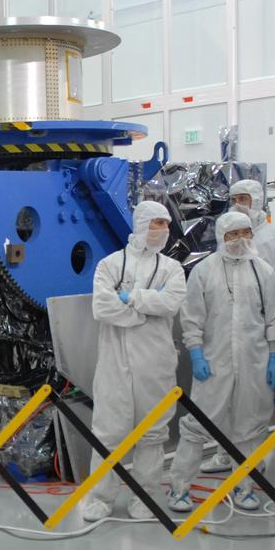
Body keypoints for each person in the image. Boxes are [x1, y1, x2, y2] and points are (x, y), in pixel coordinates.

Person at [166, 211, 275, 513]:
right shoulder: (205, 271)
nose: (240, 240)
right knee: (198, 425)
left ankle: (244, 485)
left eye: (245, 233)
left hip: (255, 361)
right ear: (221, 237)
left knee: (250, 426)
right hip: (214, 362)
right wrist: (196, 353)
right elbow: (191, 317)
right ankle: (179, 488)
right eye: (232, 234)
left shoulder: (263, 271)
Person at [81, 201, 188, 521]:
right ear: (141, 224)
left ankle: (147, 495)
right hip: (114, 361)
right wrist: (143, 310)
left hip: (155, 362)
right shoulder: (110, 264)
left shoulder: (172, 268)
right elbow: (102, 307)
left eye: (166, 224)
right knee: (108, 432)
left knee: (153, 433)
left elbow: (171, 303)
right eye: (156, 223)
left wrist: (132, 299)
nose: (162, 230)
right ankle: (100, 496)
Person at [229, 179, 275, 289]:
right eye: (234, 200)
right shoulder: (227, 236)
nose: (237, 205)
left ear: (256, 200)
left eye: (243, 199)